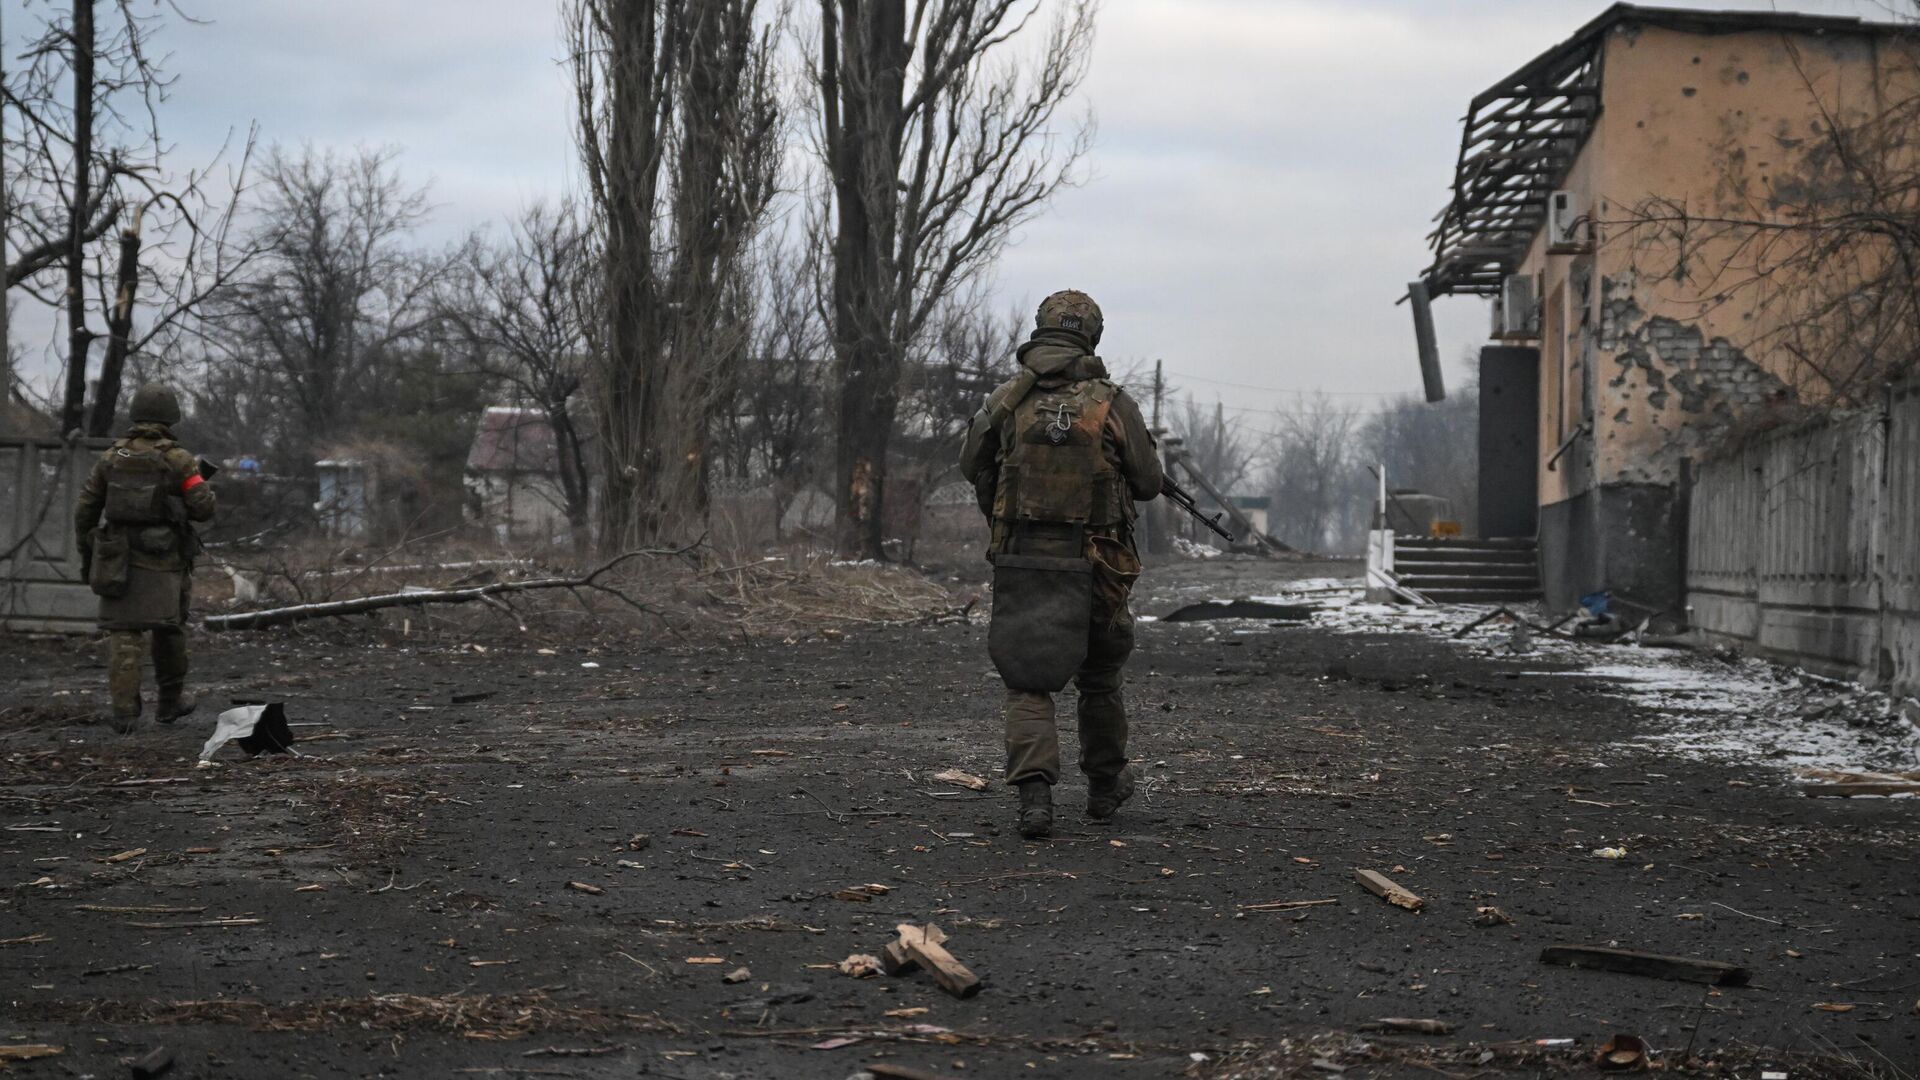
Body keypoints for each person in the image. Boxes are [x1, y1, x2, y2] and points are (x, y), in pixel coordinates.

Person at [959, 290, 1162, 839]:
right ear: (1092, 337)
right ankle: (1103, 789)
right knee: (1099, 679)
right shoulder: (1112, 403)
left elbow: (969, 463)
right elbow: (1146, 484)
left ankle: (1035, 801)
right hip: (1099, 565)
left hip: (1024, 561)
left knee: (1029, 682)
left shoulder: (1008, 398)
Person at [73, 384, 217, 732]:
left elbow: (85, 509)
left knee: (124, 636)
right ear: (172, 417)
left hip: (117, 559)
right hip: (163, 560)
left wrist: (87, 553)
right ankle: (169, 704)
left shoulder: (111, 458)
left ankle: (124, 714)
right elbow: (203, 508)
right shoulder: (179, 460)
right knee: (168, 630)